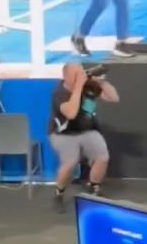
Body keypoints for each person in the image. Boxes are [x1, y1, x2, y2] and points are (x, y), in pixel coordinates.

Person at [49, 63, 119, 212]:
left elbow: (113, 98)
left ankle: (94, 187)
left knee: (102, 157)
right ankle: (58, 193)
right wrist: (79, 86)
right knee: (70, 161)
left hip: (87, 130)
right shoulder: (59, 93)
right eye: (76, 74)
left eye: (81, 72)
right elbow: (71, 113)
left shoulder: (89, 85)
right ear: (66, 77)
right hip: (64, 133)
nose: (80, 76)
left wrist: (102, 82)